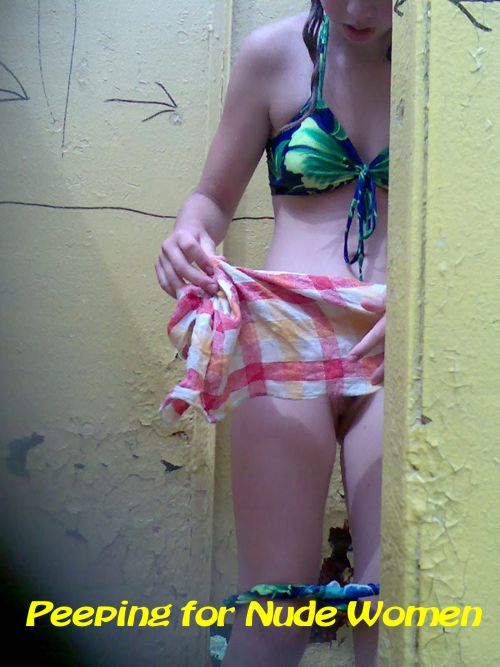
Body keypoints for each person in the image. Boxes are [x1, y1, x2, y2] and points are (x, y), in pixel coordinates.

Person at [155, 1, 392, 665]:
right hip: (280, 330)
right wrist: (188, 235)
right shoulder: (273, 54)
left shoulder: (455, 64)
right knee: (274, 613)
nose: (357, 8)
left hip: (398, 338)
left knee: (392, 616)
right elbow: (211, 199)